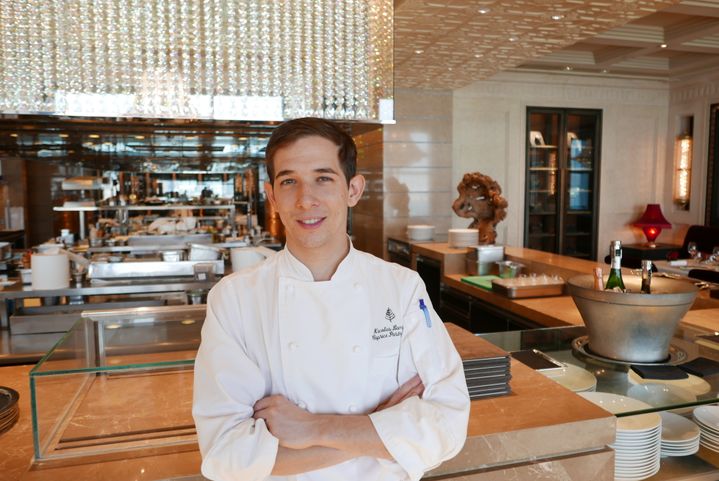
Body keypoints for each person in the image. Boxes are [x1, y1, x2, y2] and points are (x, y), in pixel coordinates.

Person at [192, 117, 470, 481]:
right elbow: (225, 455)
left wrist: (313, 430)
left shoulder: (401, 288)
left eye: (323, 178)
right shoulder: (234, 300)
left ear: (353, 190)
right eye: (289, 181)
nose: (306, 199)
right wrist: (377, 428)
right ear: (272, 196)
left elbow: (446, 426)